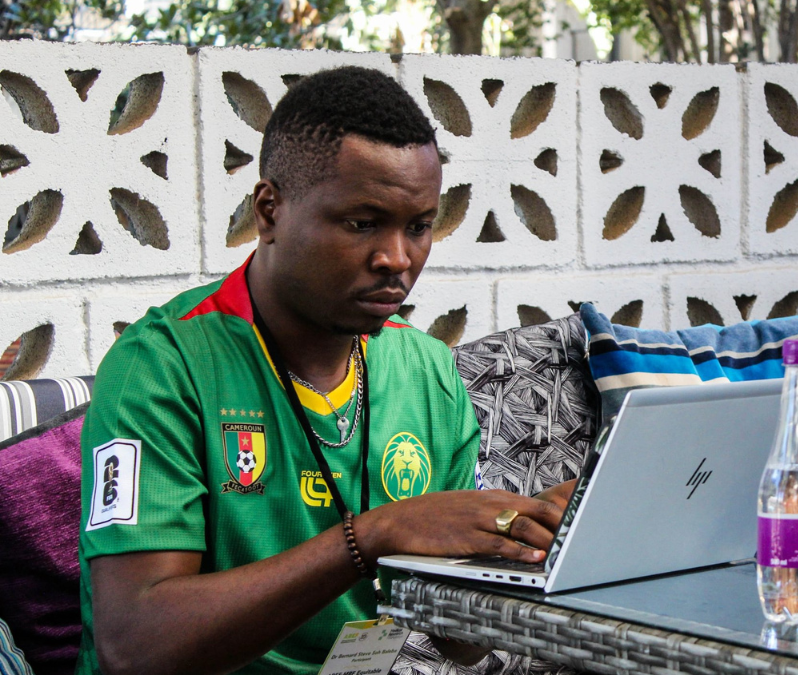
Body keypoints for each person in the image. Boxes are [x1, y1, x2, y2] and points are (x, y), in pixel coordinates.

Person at [77, 66, 573, 675]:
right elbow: (135, 647)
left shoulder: (426, 371)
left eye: (419, 227)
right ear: (269, 211)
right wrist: (372, 536)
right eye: (362, 223)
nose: (397, 259)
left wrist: (526, 549)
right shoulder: (160, 368)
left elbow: (458, 641)